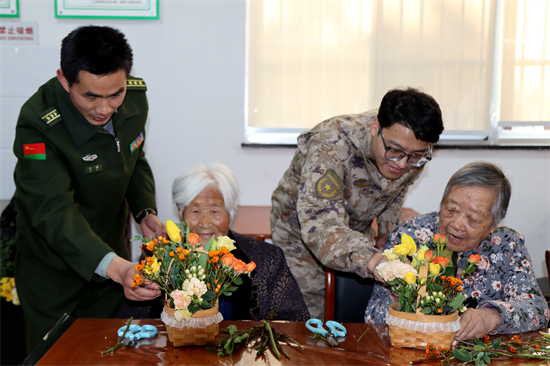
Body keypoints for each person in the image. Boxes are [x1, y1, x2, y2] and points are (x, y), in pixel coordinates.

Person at [13, 25, 165, 352]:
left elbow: (133, 158)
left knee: (111, 351)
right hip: (52, 270)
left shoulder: (135, 99)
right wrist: (118, 267)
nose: (105, 109)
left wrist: (145, 211)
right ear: (65, 80)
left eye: (115, 94)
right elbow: (54, 213)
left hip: (111, 259)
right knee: (56, 355)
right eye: (91, 96)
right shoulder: (38, 123)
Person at [270, 87, 444, 319]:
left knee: (361, 313)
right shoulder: (331, 144)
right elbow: (321, 225)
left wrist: (387, 233)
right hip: (302, 232)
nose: (402, 164)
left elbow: (396, 190)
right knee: (308, 317)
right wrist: (371, 259)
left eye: (415, 156)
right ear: (375, 127)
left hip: (355, 232)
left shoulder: (413, 149)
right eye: (395, 150)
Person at [365, 161, 550, 344]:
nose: (456, 224)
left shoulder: (507, 244)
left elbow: (538, 311)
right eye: (451, 209)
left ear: (493, 224)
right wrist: (399, 298)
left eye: (473, 219)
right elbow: (373, 317)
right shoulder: (410, 236)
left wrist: (492, 317)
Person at [167, 162, 310, 321]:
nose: (205, 223)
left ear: (230, 215)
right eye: (195, 211)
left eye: (215, 211)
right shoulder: (159, 260)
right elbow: (140, 324)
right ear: (180, 213)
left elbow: (295, 323)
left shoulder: (267, 259)